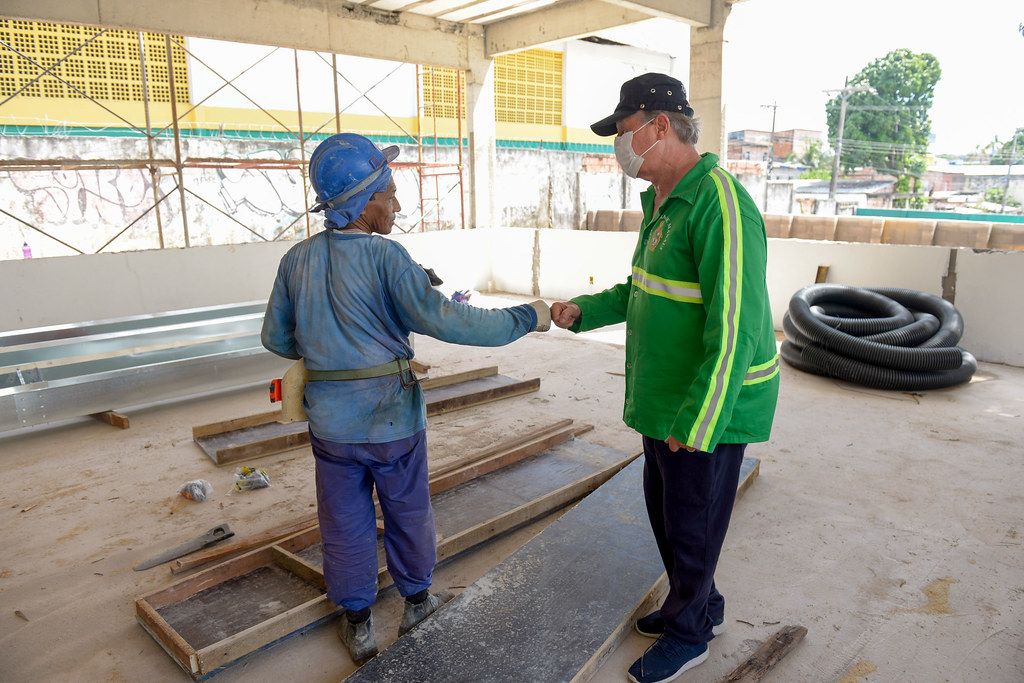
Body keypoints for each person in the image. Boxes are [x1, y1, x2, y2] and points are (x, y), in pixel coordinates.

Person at [261, 133, 550, 664]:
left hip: (331, 425)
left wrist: (329, 343)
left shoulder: (296, 260)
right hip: (391, 418)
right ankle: (417, 602)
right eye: (388, 193)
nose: (396, 204)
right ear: (362, 200)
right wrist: (526, 317)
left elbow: (276, 341)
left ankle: (358, 623)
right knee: (407, 509)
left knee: (343, 521)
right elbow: (448, 320)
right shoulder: (389, 257)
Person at [551, 73, 779, 683]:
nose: (618, 147)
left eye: (623, 132)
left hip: (708, 407)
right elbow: (645, 288)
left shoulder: (720, 204)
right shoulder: (659, 201)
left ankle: (689, 633)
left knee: (692, 521)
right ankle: (701, 601)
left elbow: (733, 329)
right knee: (668, 514)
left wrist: (697, 424)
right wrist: (588, 310)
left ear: (658, 126)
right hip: (664, 398)